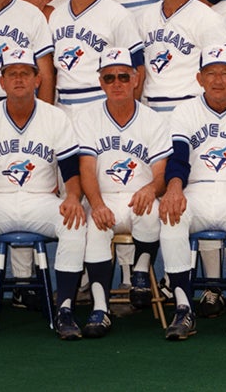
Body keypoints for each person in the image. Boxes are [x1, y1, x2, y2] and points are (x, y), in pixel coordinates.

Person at [0, 48, 87, 341]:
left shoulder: (56, 117)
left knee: (75, 221)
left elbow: (70, 171)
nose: (18, 79)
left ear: (37, 79)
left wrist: (73, 198)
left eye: (25, 73)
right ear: (1, 82)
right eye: (11, 73)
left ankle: (64, 309)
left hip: (40, 199)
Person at [157, 45, 226, 341]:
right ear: (199, 78)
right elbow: (178, 158)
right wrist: (173, 188)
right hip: (197, 189)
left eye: (225, 73)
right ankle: (183, 307)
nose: (218, 80)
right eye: (211, 73)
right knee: (171, 216)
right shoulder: (185, 111)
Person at [73, 48, 171, 338]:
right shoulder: (87, 118)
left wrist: (151, 188)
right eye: (110, 77)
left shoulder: (153, 120)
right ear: (101, 81)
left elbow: (162, 174)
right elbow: (86, 169)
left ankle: (141, 271)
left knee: (152, 208)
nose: (117, 83)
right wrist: (97, 204)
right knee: (94, 225)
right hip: (104, 197)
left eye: (123, 77)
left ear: (136, 79)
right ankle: (100, 309)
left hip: (139, 195)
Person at [49, 0, 145, 116]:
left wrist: (127, 112)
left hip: (102, 106)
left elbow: (138, 68)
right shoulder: (55, 16)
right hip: (63, 107)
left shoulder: (117, 14)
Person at [139, 0, 223, 112]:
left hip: (191, 109)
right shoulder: (145, 17)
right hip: (152, 109)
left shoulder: (207, 18)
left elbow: (220, 71)